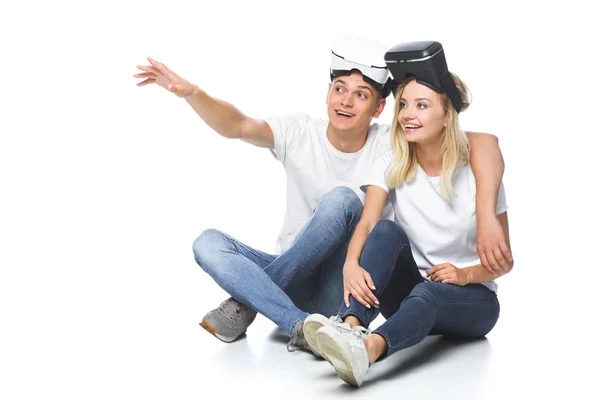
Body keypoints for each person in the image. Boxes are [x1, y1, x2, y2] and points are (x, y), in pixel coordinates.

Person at [133, 36, 509, 351]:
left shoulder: (390, 145)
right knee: (207, 242)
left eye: (361, 95)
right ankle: (303, 328)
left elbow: (481, 143)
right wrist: (193, 94)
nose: (346, 101)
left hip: (340, 291)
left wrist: (486, 215)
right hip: (288, 279)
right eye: (339, 89)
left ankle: (251, 302)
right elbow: (238, 125)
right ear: (327, 93)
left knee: (343, 200)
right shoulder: (300, 132)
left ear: (379, 108)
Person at [303, 41, 513, 387]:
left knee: (429, 293)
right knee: (387, 232)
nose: (408, 114)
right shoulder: (394, 163)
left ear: (446, 116)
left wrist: (463, 275)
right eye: (403, 105)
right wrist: (351, 262)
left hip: (474, 303)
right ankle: (350, 328)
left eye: (422, 105)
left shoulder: (478, 173)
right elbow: (369, 221)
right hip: (410, 294)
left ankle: (367, 351)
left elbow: (504, 264)